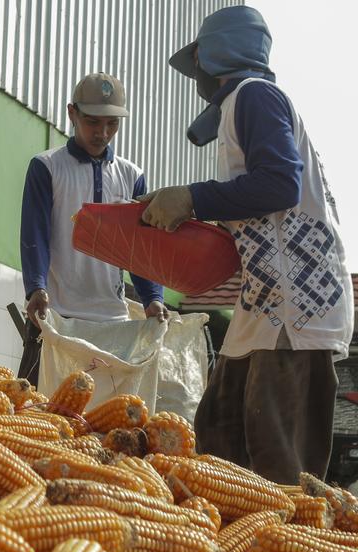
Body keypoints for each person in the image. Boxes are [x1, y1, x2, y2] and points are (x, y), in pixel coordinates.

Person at [140, 6, 354, 484]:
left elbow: (280, 185)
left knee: (277, 467)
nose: (194, 74)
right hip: (263, 302)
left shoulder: (254, 96)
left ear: (212, 57)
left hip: (296, 308)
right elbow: (260, 205)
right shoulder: (246, 104)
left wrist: (193, 198)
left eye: (196, 62)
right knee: (218, 435)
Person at [18, 72, 167, 383]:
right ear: (72, 113)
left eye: (112, 124)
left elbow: (140, 247)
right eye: (93, 122)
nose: (103, 133)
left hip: (113, 323)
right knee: (39, 417)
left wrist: (153, 296)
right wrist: (36, 287)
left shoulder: (131, 176)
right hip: (57, 316)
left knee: (105, 425)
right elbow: (35, 235)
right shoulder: (47, 167)